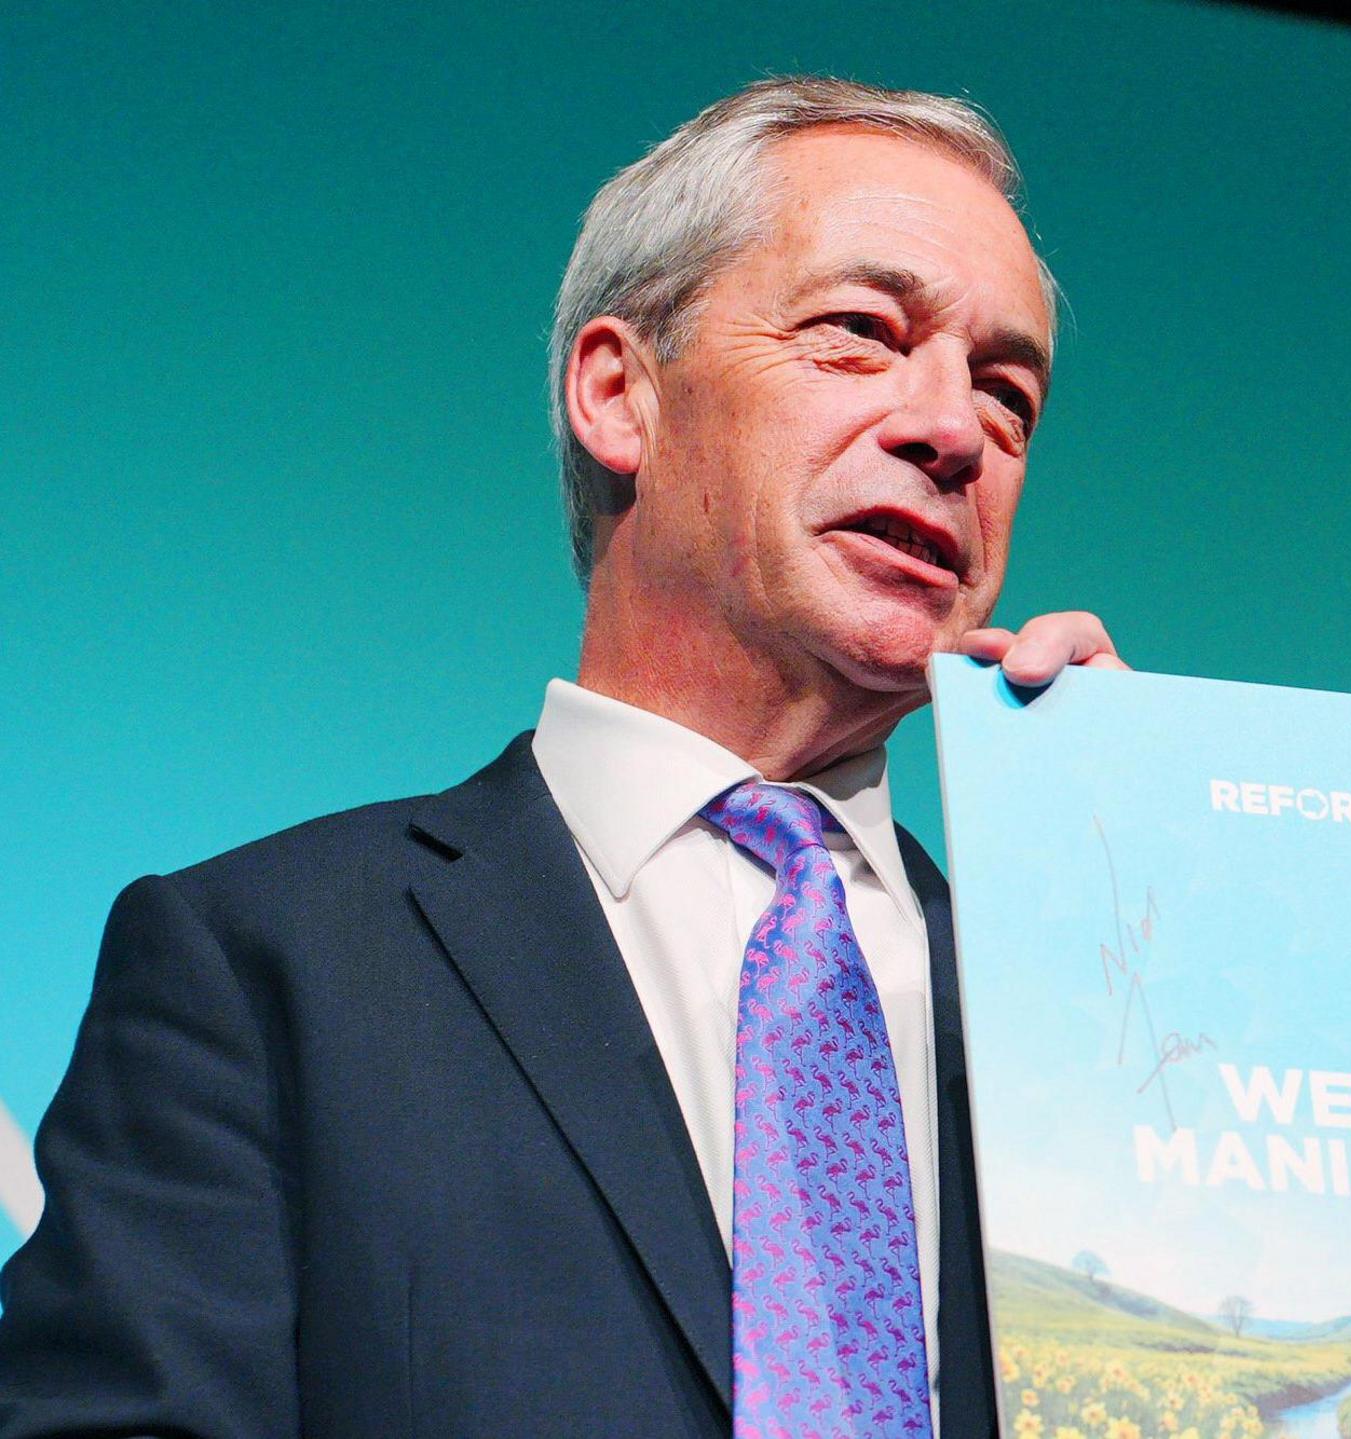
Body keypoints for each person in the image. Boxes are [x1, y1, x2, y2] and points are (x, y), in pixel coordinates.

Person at [0, 77, 1124, 1438]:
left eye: (1007, 395)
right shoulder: (264, 965)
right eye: (858, 333)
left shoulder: (1077, 1006)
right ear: (618, 394)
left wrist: (1152, 929)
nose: (954, 431)